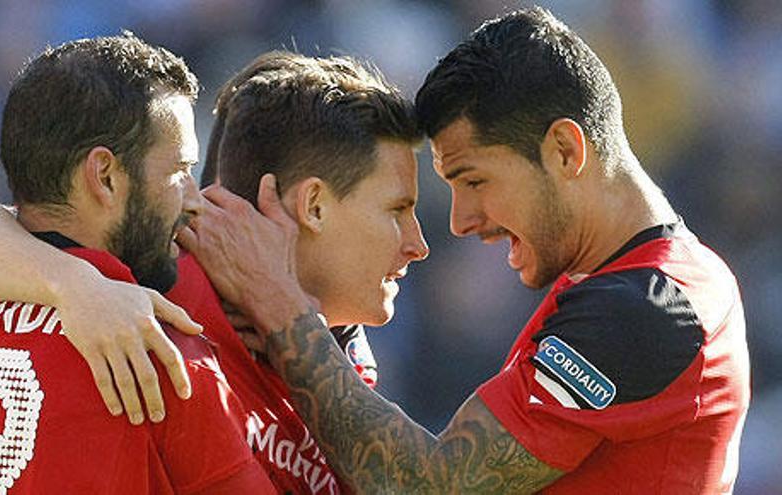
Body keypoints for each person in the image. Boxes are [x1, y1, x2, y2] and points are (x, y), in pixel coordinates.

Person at [183, 7, 750, 494]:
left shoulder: (649, 306)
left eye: (474, 181)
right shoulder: (643, 284)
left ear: (564, 150)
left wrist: (283, 309)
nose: (460, 223)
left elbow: (427, 485)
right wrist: (91, 290)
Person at [0, 50, 429, 494]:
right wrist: (76, 285)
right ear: (313, 204)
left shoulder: (341, 352)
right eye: (397, 209)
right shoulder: (160, 319)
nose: (419, 244)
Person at [0, 33, 278, 493]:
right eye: (179, 171)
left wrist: (72, 282)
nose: (194, 199)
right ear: (104, 176)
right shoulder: (153, 352)